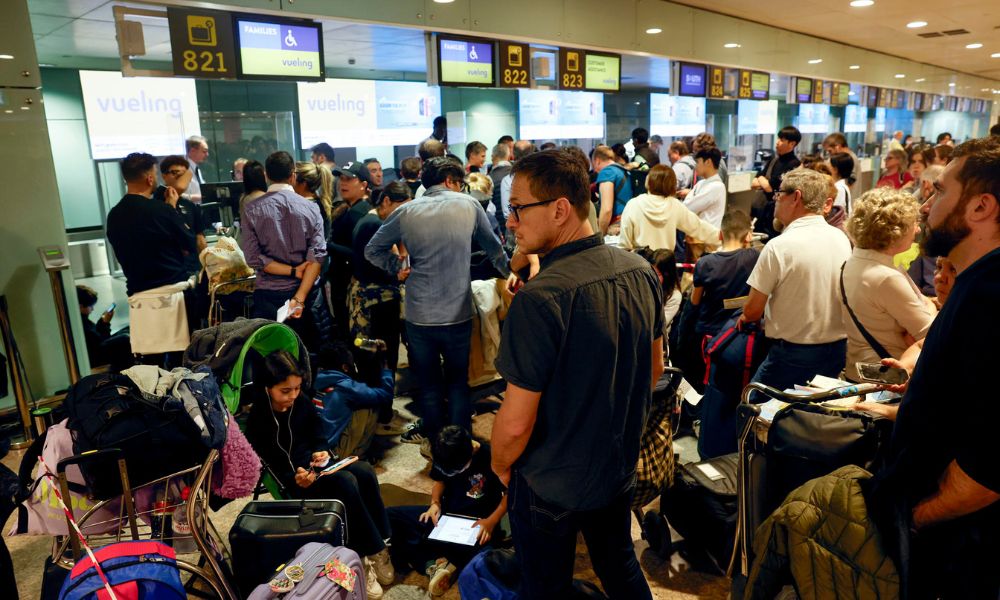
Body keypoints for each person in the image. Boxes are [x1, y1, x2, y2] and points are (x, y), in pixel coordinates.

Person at [492, 149, 663, 599]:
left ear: (560, 209)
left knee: (543, 586)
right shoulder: (641, 270)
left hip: (549, 479)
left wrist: (500, 466)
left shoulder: (539, 298)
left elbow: (515, 422)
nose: (511, 221)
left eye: (517, 208)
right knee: (619, 564)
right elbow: (654, 370)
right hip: (616, 464)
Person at [870, 136, 1000, 598]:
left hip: (962, 547)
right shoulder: (974, 285)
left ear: (981, 206)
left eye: (940, 191)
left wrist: (915, 518)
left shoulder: (990, 298)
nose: (925, 205)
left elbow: (990, 468)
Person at [365, 157, 509, 444]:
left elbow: (373, 250)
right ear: (449, 180)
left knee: (429, 386)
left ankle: (434, 445)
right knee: (458, 384)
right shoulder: (468, 205)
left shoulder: (406, 211)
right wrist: (512, 274)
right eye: (459, 183)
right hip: (458, 313)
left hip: (420, 315)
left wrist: (399, 267)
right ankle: (460, 446)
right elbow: (495, 250)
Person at [243, 350, 394, 600]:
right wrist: (295, 478)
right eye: (285, 390)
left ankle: (380, 548)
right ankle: (366, 553)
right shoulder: (258, 420)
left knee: (365, 471)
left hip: (318, 466)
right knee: (347, 482)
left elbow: (318, 434)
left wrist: (321, 451)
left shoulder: (300, 400)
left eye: (297, 388)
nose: (292, 395)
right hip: (296, 479)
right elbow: (271, 468)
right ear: (267, 388)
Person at [740, 167, 852, 391]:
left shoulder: (778, 247)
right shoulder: (840, 237)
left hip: (794, 352)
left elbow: (752, 311)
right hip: (838, 348)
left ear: (796, 197)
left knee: (753, 407)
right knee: (810, 415)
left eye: (779, 194)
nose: (776, 200)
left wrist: (744, 315)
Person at [387, 426, 507, 597]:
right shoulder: (444, 452)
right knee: (392, 516)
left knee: (487, 560)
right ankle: (437, 564)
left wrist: (492, 521)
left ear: (472, 451)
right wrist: (435, 504)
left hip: (479, 523)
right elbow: (439, 483)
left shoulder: (492, 458)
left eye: (457, 470)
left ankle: (439, 561)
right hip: (446, 517)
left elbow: (511, 493)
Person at [840, 187, 934, 382]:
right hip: (886, 378)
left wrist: (926, 305)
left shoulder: (854, 262)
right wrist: (931, 306)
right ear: (893, 230)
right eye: (912, 224)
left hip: (858, 371)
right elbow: (932, 333)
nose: (917, 230)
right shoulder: (886, 277)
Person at [241, 151, 326, 350]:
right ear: (293, 175)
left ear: (266, 175)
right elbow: (318, 256)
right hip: (306, 295)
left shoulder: (252, 209)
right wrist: (299, 298)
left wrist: (290, 270)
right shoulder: (311, 208)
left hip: (268, 296)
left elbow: (253, 259)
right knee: (307, 356)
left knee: (272, 357)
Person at [106, 153, 197, 297]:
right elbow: (190, 244)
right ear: (149, 179)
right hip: (172, 292)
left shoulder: (113, 215)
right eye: (155, 175)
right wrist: (172, 209)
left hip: (137, 294)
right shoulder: (162, 210)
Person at [350, 180, 411, 375]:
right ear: (386, 201)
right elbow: (383, 267)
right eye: (402, 208)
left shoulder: (371, 220)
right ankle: (382, 401)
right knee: (383, 354)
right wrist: (399, 273)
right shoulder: (374, 225)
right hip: (377, 301)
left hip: (372, 298)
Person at [313, 341, 395, 458]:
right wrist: (385, 365)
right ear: (345, 367)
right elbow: (385, 395)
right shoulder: (347, 387)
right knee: (370, 405)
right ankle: (357, 455)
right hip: (329, 453)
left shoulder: (316, 379)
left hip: (315, 448)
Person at [691, 209, 759, 339]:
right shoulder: (755, 257)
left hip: (710, 332)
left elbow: (695, 302)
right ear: (748, 236)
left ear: (720, 235)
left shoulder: (705, 263)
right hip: (742, 332)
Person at [619, 164, 719, 251]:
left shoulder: (634, 204)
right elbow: (697, 227)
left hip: (640, 265)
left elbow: (624, 244)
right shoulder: (674, 205)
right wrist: (721, 236)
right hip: (666, 264)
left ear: (648, 181)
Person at [154, 155, 208, 274]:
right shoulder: (156, 204)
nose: (180, 178)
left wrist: (208, 264)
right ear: (164, 176)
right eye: (175, 173)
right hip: (170, 269)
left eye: (184, 175)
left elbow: (200, 238)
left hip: (194, 267)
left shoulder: (190, 205)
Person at [752, 126, 802, 239]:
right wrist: (764, 182)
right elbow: (754, 182)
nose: (777, 143)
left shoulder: (794, 164)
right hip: (762, 211)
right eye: (778, 139)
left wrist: (764, 182)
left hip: (777, 213)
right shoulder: (773, 160)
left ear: (792, 144)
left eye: (782, 140)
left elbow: (769, 187)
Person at [592, 144, 633, 235]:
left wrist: (601, 234)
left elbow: (606, 209)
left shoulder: (607, 172)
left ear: (597, 160)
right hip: (628, 221)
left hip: (616, 225)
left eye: (593, 164)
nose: (595, 170)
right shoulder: (622, 170)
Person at [684, 146, 727, 228]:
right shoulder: (700, 183)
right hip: (696, 236)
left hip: (708, 239)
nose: (695, 166)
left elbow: (688, 208)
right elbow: (687, 206)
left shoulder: (717, 187)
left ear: (708, 162)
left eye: (697, 162)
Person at [823, 132, 863, 200]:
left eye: (830, 151)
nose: (830, 155)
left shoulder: (848, 159)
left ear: (837, 147)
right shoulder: (849, 157)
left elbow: (850, 183)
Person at [185, 135, 209, 202]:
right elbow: (177, 195)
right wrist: (201, 197)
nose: (207, 154)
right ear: (192, 151)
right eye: (204, 151)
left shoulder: (196, 169)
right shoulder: (182, 169)